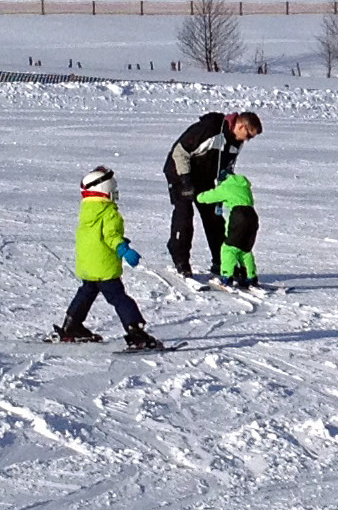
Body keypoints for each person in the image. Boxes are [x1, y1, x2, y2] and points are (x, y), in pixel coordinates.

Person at [56, 167, 164, 348]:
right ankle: (136, 333)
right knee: (119, 298)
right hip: (104, 267)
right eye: (113, 192)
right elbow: (111, 236)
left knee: (86, 293)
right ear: (106, 191)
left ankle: (71, 325)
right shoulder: (108, 213)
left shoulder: (87, 212)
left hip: (87, 266)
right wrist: (124, 249)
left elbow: (96, 236)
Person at [163, 110, 260, 278]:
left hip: (205, 177)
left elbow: (226, 168)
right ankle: (181, 260)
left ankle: (222, 261)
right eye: (248, 135)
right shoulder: (209, 129)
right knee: (184, 215)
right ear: (240, 125)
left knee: (214, 218)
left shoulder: (237, 142)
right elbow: (180, 153)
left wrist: (225, 189)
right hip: (179, 172)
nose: (247, 140)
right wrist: (186, 181)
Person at [195, 169, 259, 289]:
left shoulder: (226, 187)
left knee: (228, 248)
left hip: (239, 216)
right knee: (244, 249)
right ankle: (251, 277)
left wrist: (198, 196)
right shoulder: (244, 185)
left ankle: (226, 277)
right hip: (252, 216)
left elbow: (208, 197)